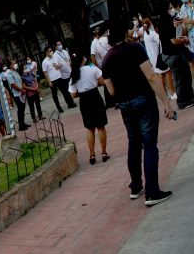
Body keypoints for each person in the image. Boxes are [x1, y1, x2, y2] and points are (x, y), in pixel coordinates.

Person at [101, 18, 177, 206]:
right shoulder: (135, 49)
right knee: (150, 144)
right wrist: (166, 101)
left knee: (134, 143)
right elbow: (151, 76)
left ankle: (136, 186)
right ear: (126, 32)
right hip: (143, 99)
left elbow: (110, 91)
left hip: (125, 105)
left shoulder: (107, 59)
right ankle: (152, 191)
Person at [69, 54, 109, 165]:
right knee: (101, 126)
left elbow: (73, 94)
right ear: (83, 59)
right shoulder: (92, 68)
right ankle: (104, 153)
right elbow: (102, 81)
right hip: (95, 96)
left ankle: (92, 154)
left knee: (90, 128)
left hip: (84, 100)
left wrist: (81, 92)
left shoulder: (74, 75)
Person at [43, 45, 77, 113]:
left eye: (51, 50)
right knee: (55, 95)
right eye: (50, 51)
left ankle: (70, 104)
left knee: (65, 91)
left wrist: (59, 66)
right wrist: (49, 82)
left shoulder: (54, 58)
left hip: (59, 77)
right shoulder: (44, 62)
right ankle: (59, 108)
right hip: (53, 80)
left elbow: (60, 64)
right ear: (46, 52)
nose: (51, 52)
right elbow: (45, 73)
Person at [3, 61, 30, 131]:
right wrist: (21, 90)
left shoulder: (16, 72)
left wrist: (22, 90)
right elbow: (13, 85)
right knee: (20, 109)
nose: (16, 64)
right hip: (17, 94)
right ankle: (21, 125)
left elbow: (19, 82)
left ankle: (23, 122)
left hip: (21, 93)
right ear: (10, 65)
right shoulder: (10, 74)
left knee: (22, 108)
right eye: (14, 63)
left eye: (15, 63)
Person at [21, 56, 44, 120]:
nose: (26, 69)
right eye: (24, 68)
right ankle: (34, 118)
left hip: (35, 91)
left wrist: (36, 87)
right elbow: (24, 86)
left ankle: (40, 115)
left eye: (26, 68)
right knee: (31, 106)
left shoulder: (31, 74)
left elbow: (35, 79)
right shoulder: (22, 77)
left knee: (38, 104)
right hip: (29, 93)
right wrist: (32, 89)